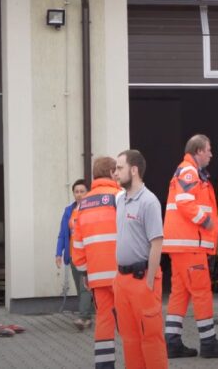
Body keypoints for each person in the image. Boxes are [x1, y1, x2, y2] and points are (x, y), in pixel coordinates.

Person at [163, 134, 218, 359]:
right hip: (190, 245)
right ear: (198, 151)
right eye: (208, 150)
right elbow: (186, 203)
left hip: (182, 245)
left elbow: (190, 203)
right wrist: (209, 222)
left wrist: (213, 218)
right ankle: (209, 343)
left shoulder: (189, 172)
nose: (211, 154)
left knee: (180, 294)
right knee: (202, 292)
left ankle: (172, 342)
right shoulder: (189, 171)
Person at [113, 150, 167, 369]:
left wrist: (150, 280)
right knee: (130, 340)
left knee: (151, 340)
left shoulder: (149, 202)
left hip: (142, 279)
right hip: (123, 281)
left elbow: (157, 243)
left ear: (133, 170)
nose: (115, 173)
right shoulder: (121, 200)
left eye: (119, 168)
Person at [72, 157, 121, 369]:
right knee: (128, 321)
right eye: (116, 170)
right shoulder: (120, 198)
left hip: (97, 276)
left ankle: (103, 364)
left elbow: (78, 244)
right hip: (123, 274)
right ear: (111, 173)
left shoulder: (82, 206)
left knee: (104, 318)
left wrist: (84, 273)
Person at [55, 179, 94, 330]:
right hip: (72, 256)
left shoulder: (91, 209)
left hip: (87, 255)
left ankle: (83, 317)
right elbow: (62, 234)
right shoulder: (68, 211)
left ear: (87, 193)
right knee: (81, 288)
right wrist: (59, 253)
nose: (79, 195)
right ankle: (88, 314)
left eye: (82, 191)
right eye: (76, 192)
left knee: (84, 286)